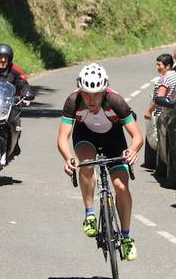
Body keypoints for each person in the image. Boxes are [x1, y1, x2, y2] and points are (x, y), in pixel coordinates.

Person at [57, 63, 143, 261]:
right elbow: (62, 137)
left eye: (96, 93)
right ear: (80, 90)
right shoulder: (73, 101)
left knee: (121, 187)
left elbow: (137, 135)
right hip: (85, 136)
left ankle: (127, 237)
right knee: (86, 163)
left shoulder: (116, 101)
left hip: (113, 138)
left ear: (105, 90)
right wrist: (68, 158)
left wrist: (133, 150)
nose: (91, 99)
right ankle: (89, 214)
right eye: (86, 93)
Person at [145, 54, 176, 119]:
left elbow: (160, 99)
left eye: (159, 65)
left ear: (168, 66)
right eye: (156, 64)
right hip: (172, 110)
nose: (157, 67)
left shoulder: (165, 78)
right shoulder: (175, 74)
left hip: (162, 113)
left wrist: (149, 111)